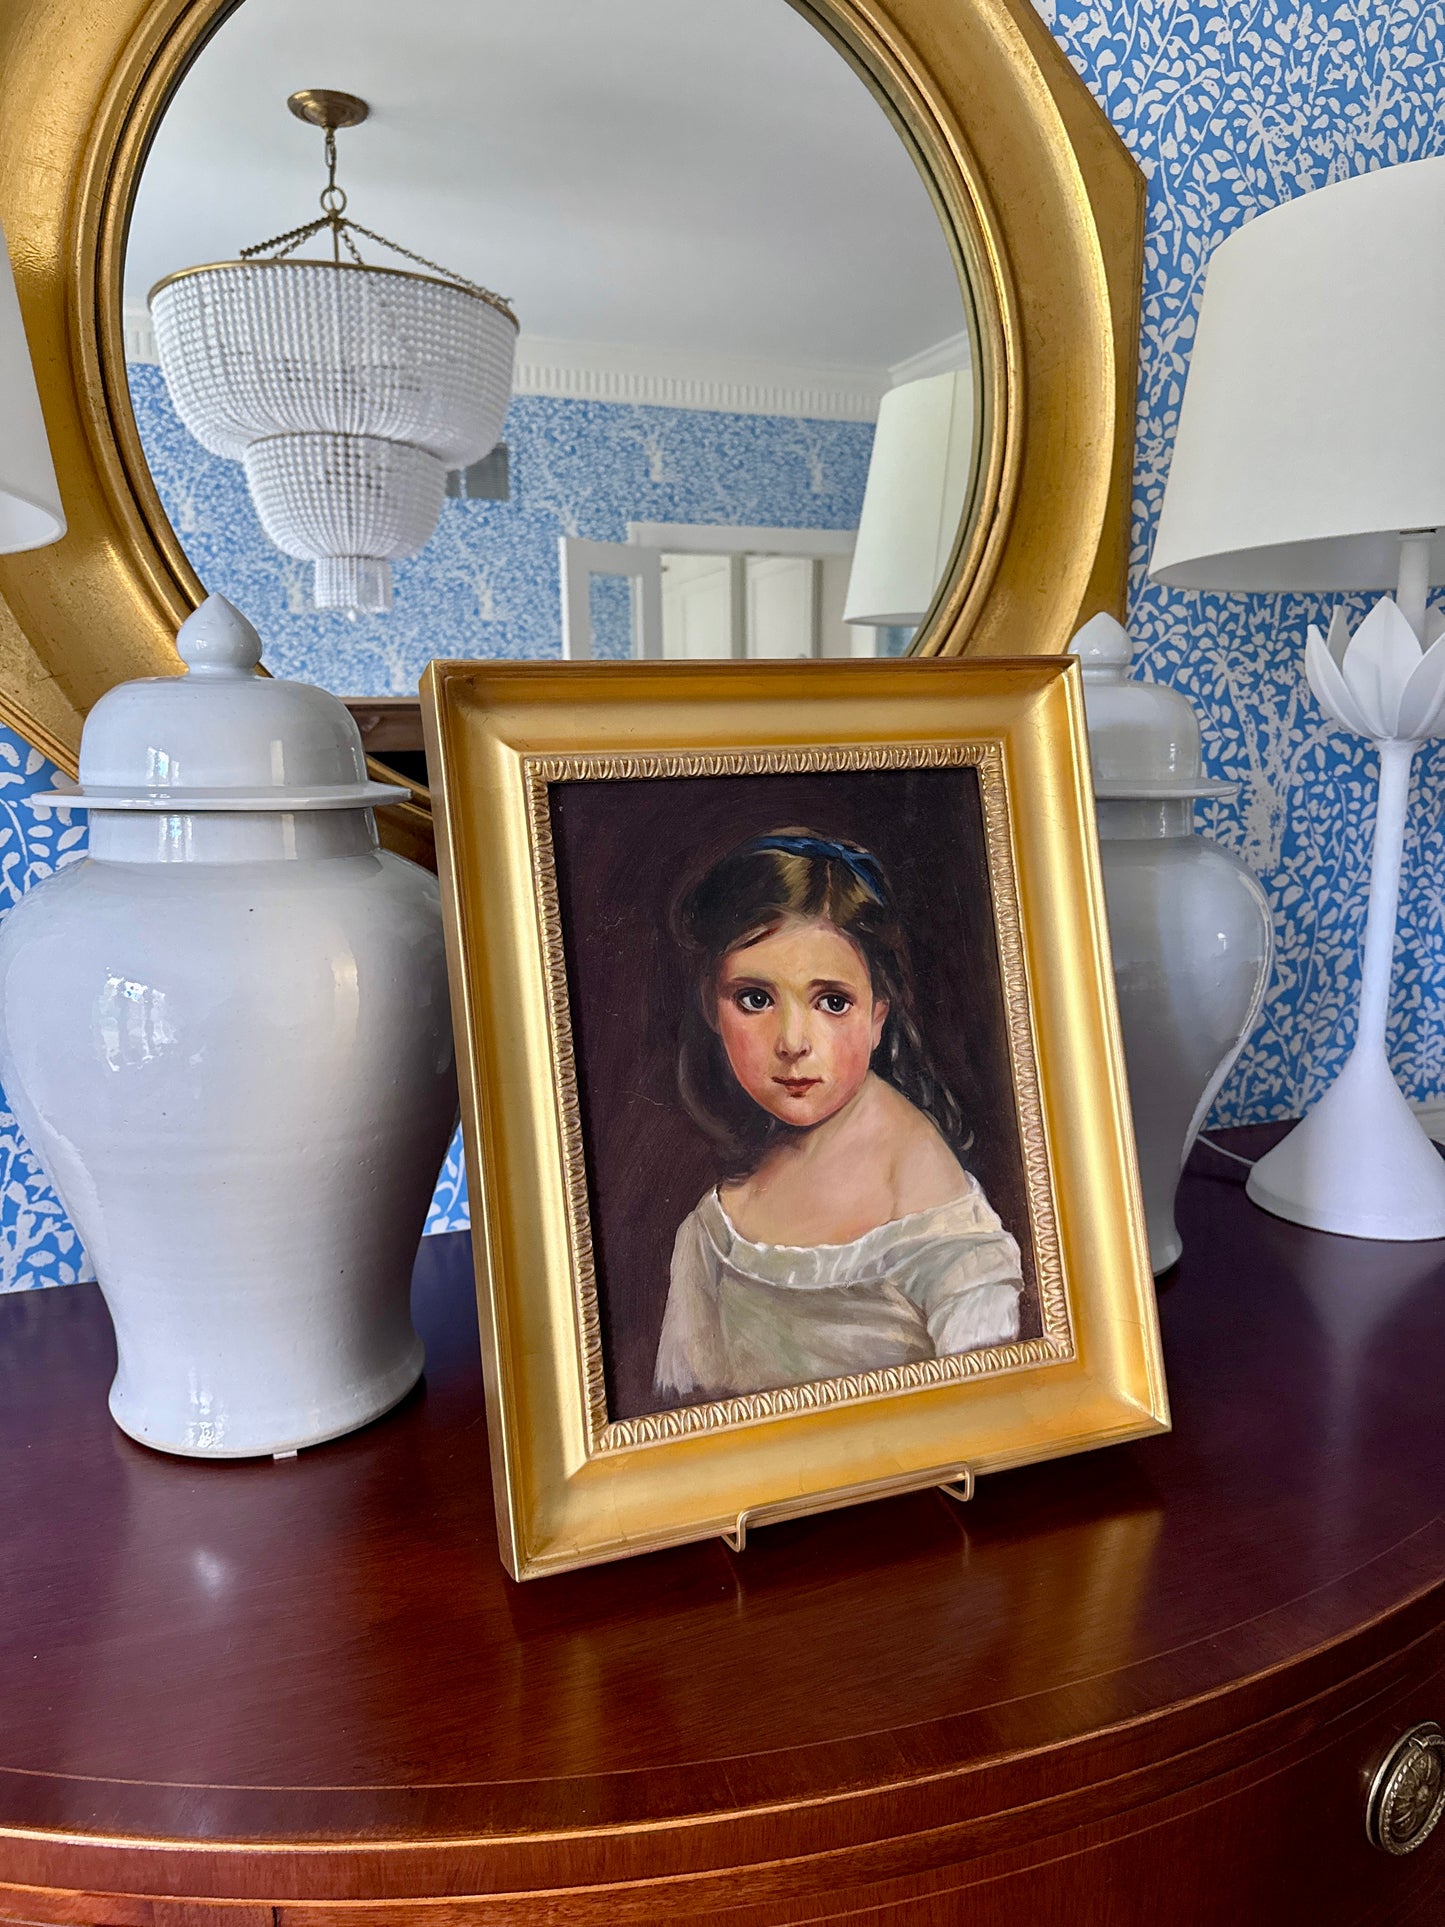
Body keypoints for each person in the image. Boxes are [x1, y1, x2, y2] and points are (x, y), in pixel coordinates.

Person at [653, 828, 1023, 1405]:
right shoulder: (711, 1229)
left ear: (878, 1017)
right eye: (755, 999)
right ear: (711, 1006)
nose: (793, 1041)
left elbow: (988, 1406)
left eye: (832, 1002)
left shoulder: (929, 1203)